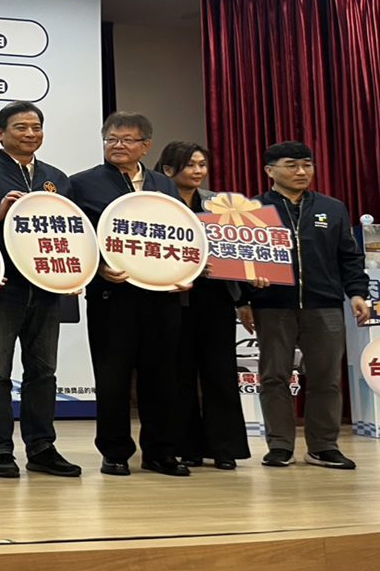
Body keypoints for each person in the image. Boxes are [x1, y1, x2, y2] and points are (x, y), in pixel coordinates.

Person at [0, 102, 82, 479]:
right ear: (0, 134)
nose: (30, 134)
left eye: (36, 127)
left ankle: (42, 447)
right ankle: (0, 450)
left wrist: (74, 273)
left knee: (43, 371)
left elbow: (72, 232)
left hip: (46, 286)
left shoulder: (57, 178)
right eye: (21, 127)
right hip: (1, 288)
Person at [69, 112, 190, 477]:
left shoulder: (163, 185)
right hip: (113, 295)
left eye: (127, 139)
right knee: (113, 377)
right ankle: (115, 451)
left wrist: (185, 272)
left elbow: (180, 233)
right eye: (111, 139)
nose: (117, 145)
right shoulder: (82, 183)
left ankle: (161, 452)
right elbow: (75, 237)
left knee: (161, 376)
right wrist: (98, 269)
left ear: (146, 145)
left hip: (162, 295)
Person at [238, 141, 369, 470]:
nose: (301, 171)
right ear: (270, 171)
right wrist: (243, 298)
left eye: (307, 165)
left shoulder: (332, 208)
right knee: (274, 377)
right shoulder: (252, 210)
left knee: (326, 378)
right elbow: (240, 261)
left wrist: (357, 293)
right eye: (292, 165)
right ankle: (280, 445)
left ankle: (323, 446)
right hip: (272, 306)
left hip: (324, 305)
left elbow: (349, 257)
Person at [154, 141, 250, 471]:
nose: (198, 171)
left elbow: (240, 251)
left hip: (215, 298)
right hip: (171, 298)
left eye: (202, 165)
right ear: (168, 169)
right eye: (190, 165)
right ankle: (187, 447)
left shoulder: (218, 204)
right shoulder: (156, 203)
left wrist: (247, 291)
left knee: (220, 372)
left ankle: (225, 447)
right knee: (178, 375)